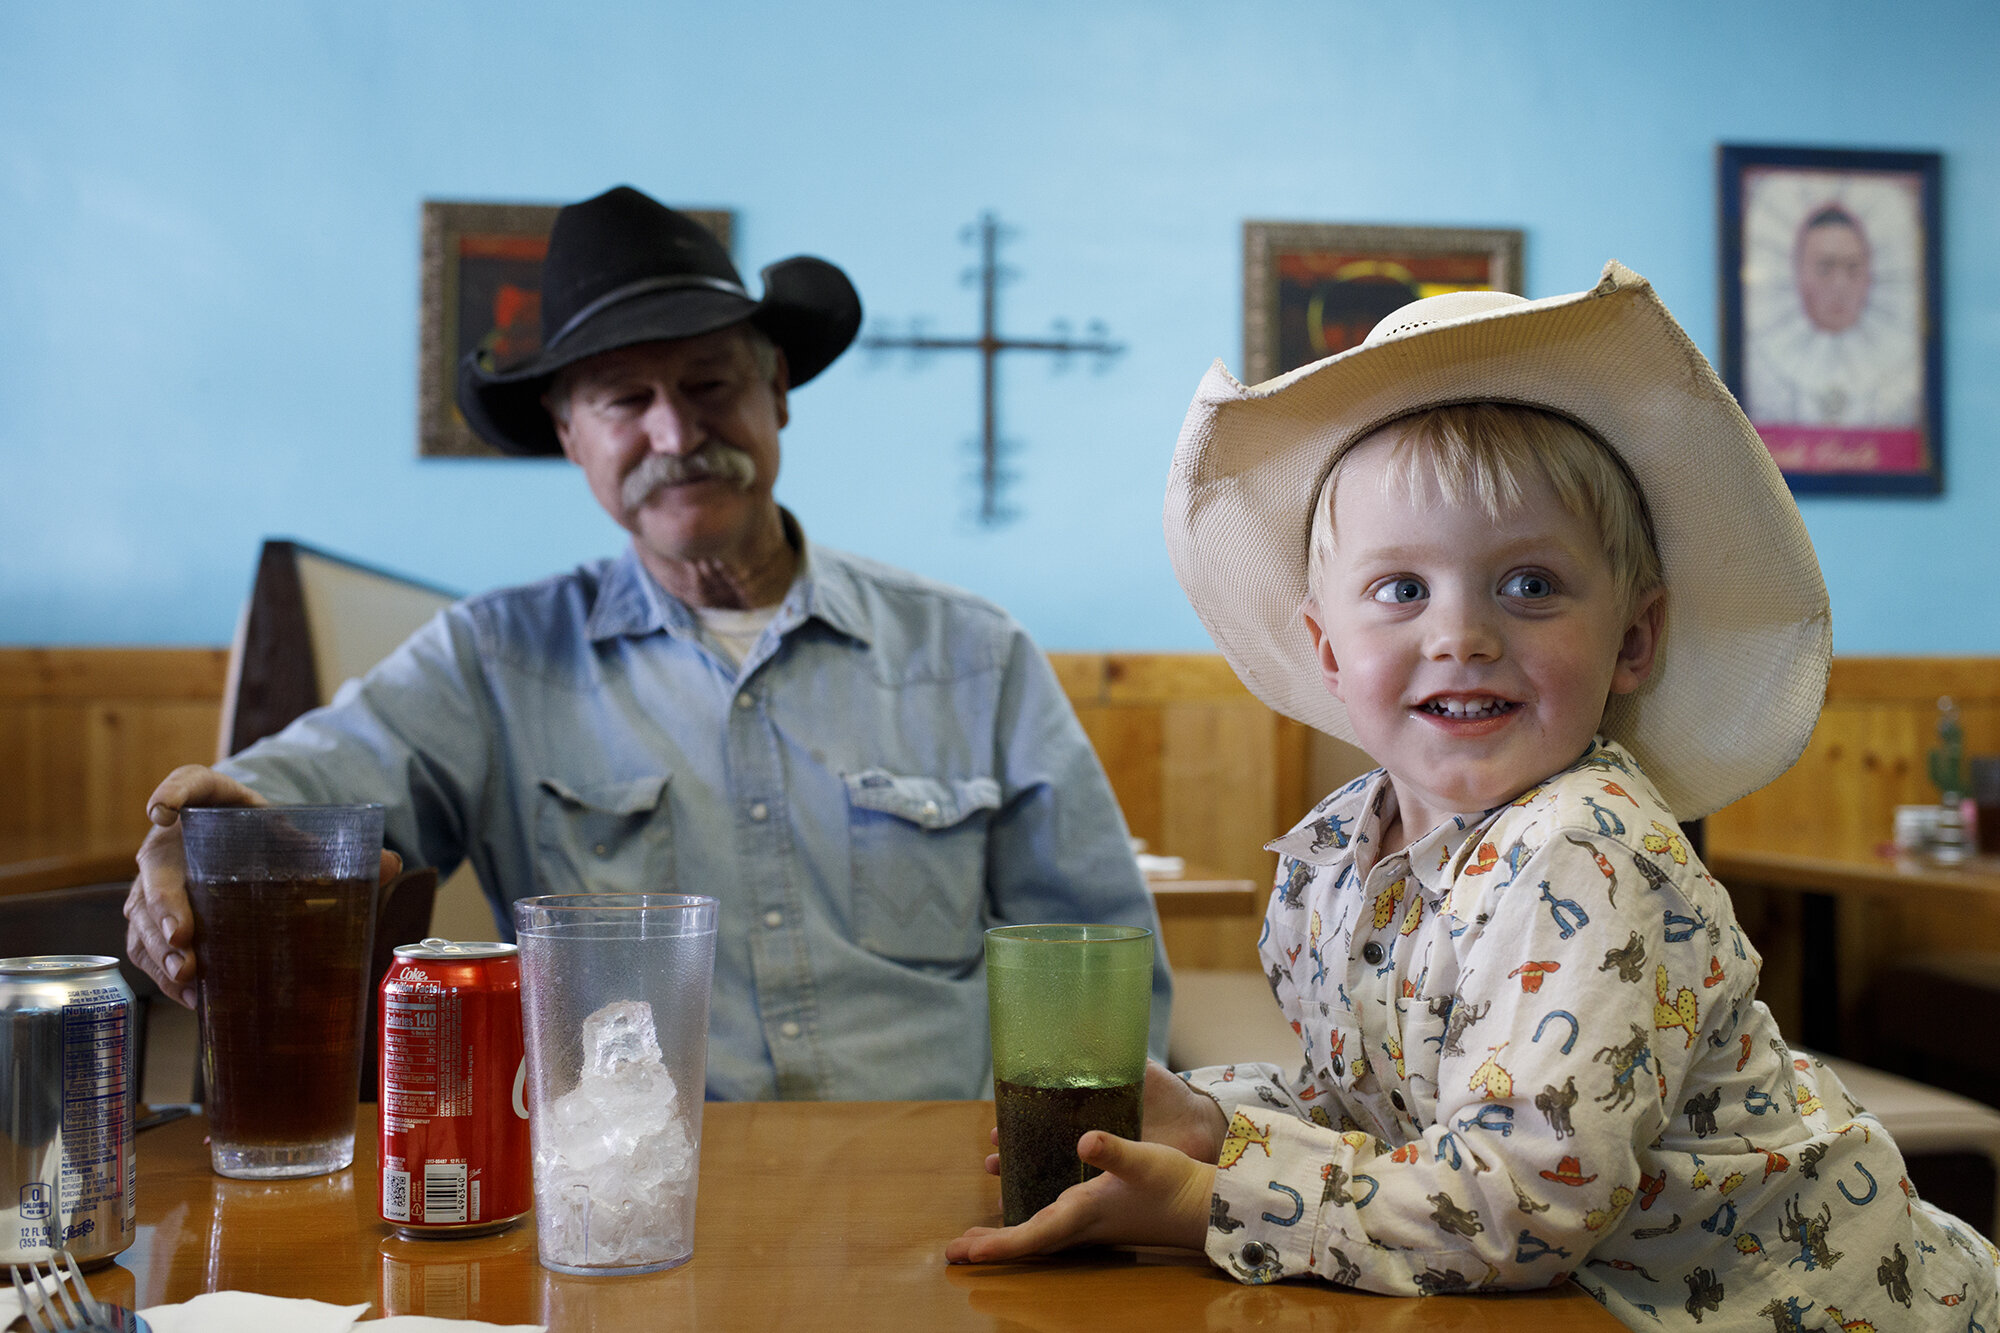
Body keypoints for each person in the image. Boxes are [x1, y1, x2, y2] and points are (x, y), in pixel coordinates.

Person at [949, 264, 2000, 1327]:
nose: (1461, 634)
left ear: (1631, 638)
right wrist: (1214, 1121)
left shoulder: (1584, 850)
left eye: (1528, 585)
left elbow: (1520, 1202)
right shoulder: (1334, 852)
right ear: (1324, 645)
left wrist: (1204, 1199)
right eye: (1401, 589)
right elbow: (1382, 1107)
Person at [123, 185, 1171, 1101]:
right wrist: (197, 835)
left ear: (777, 396)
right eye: (626, 400)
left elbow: (1100, 972)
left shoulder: (971, 654)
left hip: (941, 1200)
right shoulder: (493, 659)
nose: (675, 435)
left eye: (710, 384)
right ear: (570, 435)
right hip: (632, 1212)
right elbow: (298, 790)